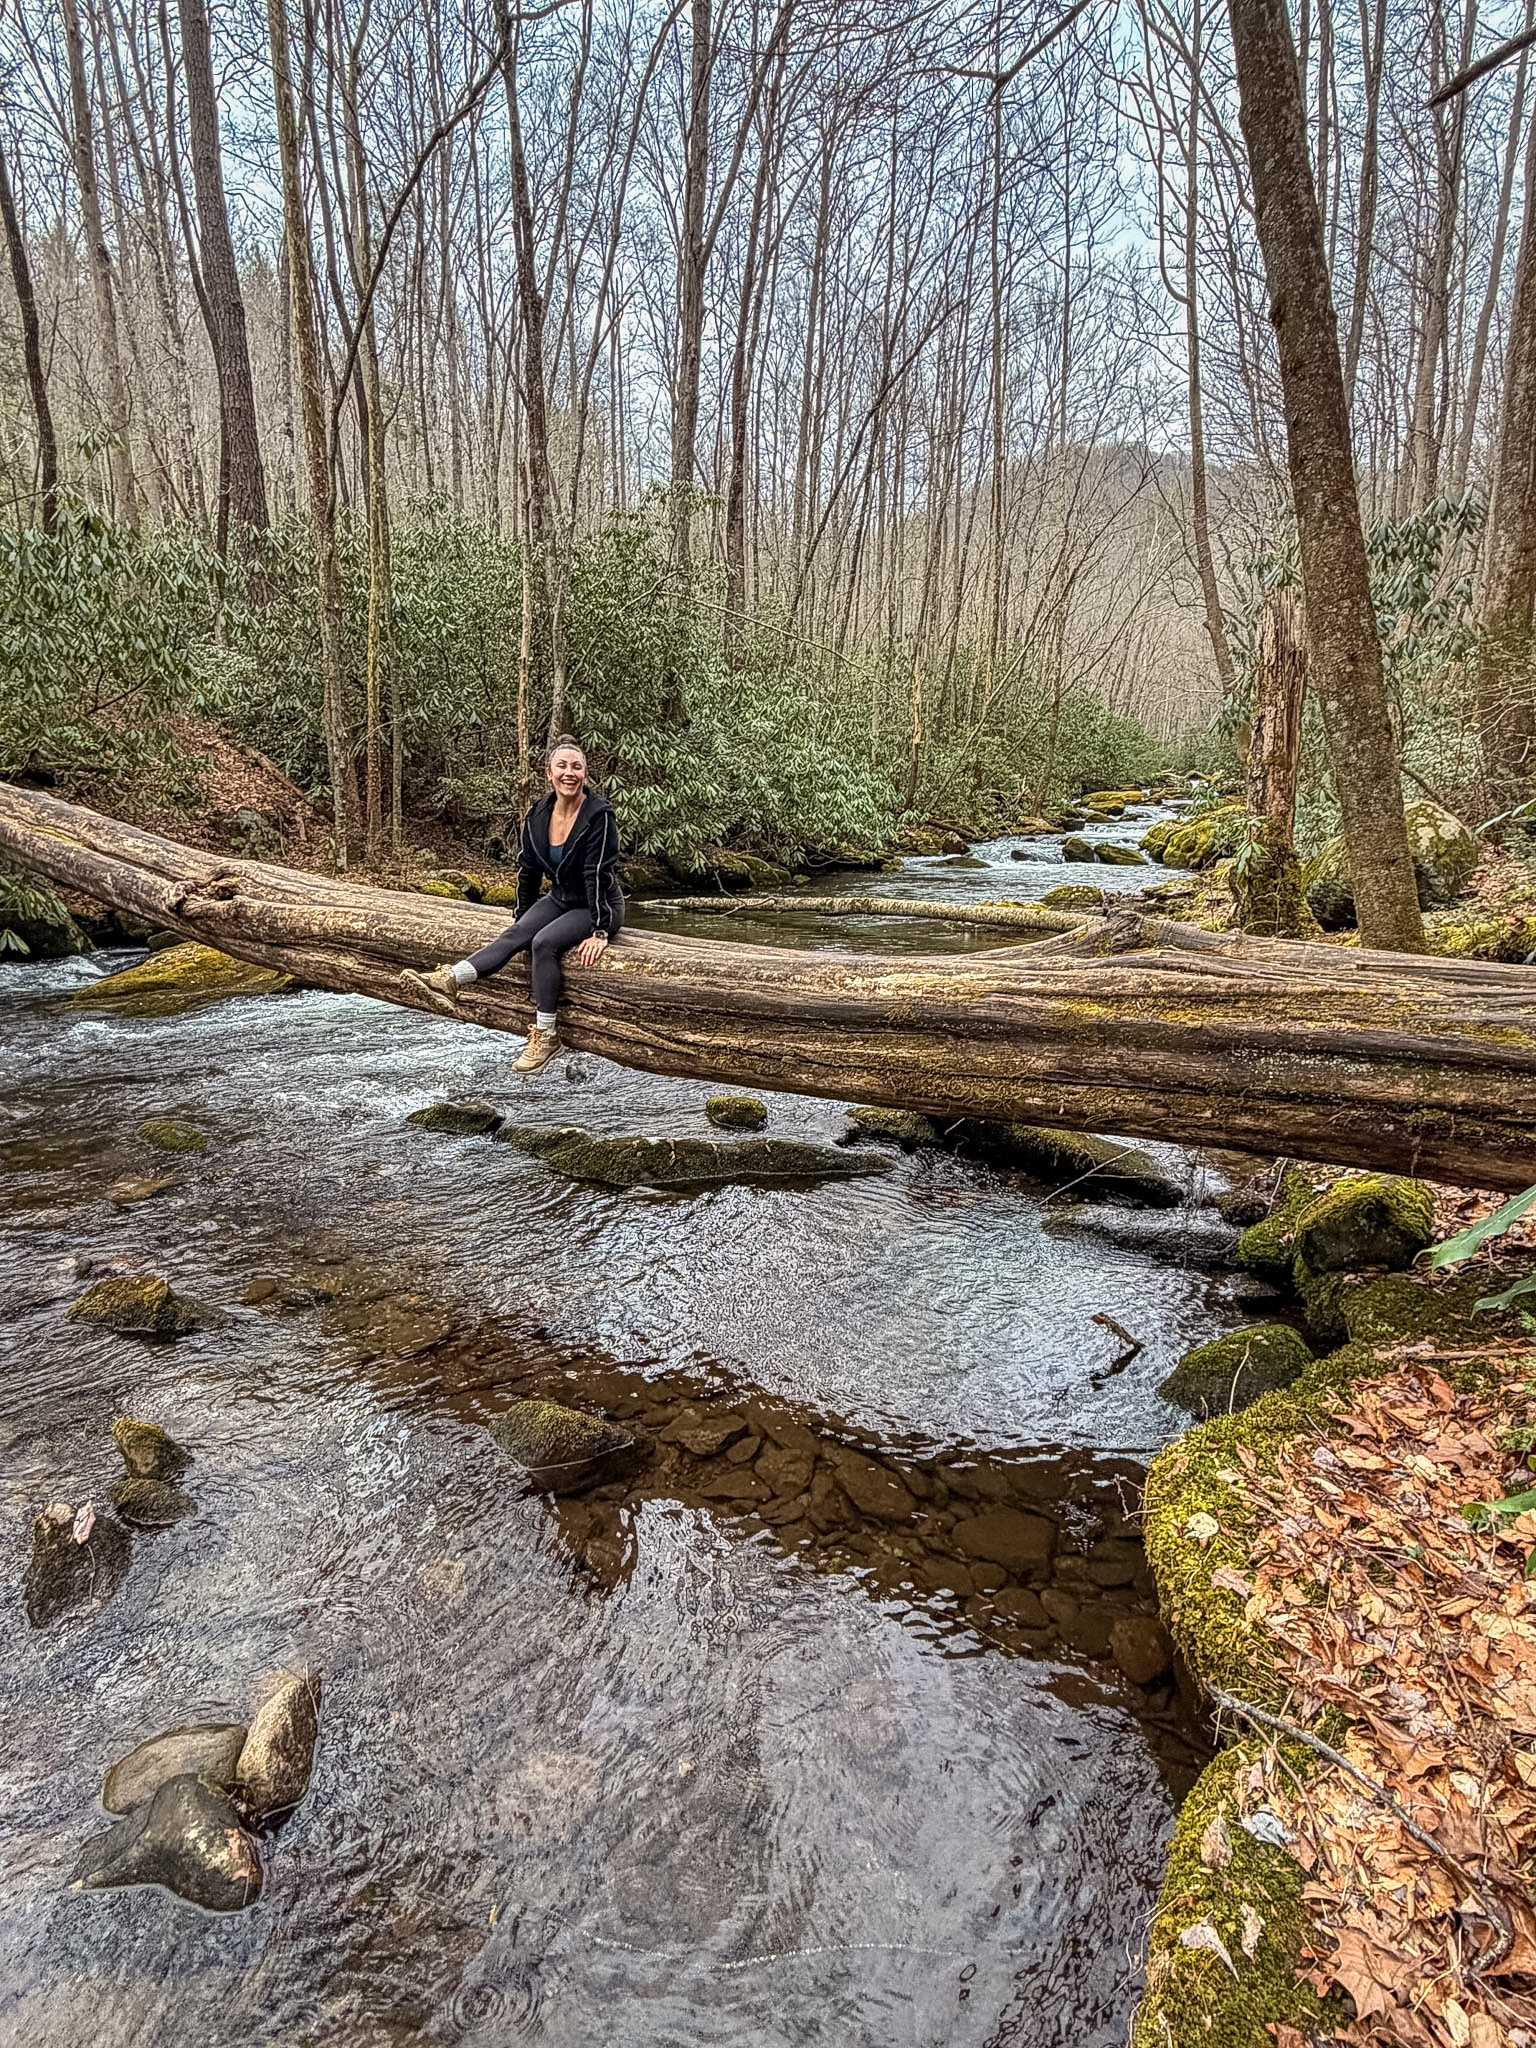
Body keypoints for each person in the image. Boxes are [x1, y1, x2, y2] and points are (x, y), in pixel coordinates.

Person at [400, 736, 623, 1073]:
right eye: (562, 766)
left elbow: (597, 872)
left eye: (576, 767)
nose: (569, 772)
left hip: (599, 903)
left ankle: (547, 1037)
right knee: (517, 935)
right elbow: (528, 868)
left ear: (585, 775)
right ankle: (450, 980)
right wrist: (524, 914)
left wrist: (601, 929)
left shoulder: (599, 815)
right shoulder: (538, 815)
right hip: (561, 897)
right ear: (549, 773)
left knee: (543, 943)